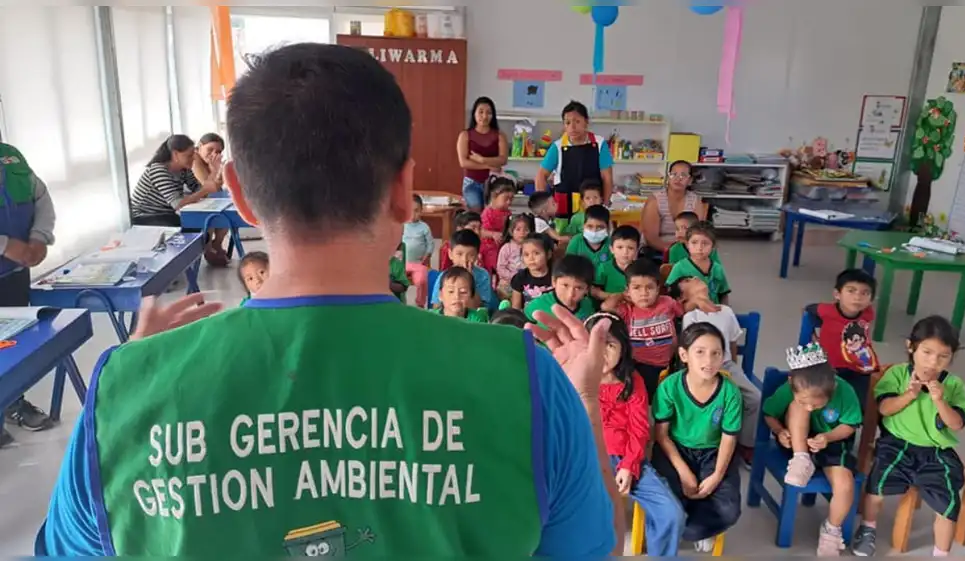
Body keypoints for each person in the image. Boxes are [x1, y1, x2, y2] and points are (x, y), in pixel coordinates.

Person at [38, 44, 616, 557]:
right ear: (401, 190)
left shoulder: (123, 391)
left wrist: (142, 384)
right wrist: (584, 403)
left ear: (238, 193)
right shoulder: (524, 377)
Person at [852, 316, 965, 558]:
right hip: (897, 444)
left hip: (937, 451)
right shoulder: (897, 374)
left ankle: (941, 552)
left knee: (948, 499)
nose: (933, 362)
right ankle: (868, 529)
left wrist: (939, 400)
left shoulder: (955, 385)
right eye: (927, 352)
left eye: (943, 356)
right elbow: (884, 409)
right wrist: (909, 395)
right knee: (877, 483)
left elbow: (957, 424)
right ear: (911, 347)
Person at [587, 312, 685, 556]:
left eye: (610, 344)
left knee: (671, 513)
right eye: (596, 344)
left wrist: (629, 466)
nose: (603, 352)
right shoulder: (578, 381)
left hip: (627, 460)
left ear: (623, 348)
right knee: (592, 520)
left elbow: (639, 429)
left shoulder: (633, 381)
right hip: (587, 462)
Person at [762, 344, 861, 556]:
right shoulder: (789, 391)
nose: (810, 408)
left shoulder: (844, 391)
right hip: (796, 440)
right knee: (795, 408)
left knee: (845, 485)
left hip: (833, 442)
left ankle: (832, 530)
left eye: (816, 405)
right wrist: (779, 430)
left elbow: (850, 425)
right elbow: (769, 413)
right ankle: (801, 459)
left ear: (832, 388)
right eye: (805, 401)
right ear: (791, 383)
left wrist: (828, 437)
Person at [651, 323, 743, 553]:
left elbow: (728, 439)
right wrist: (683, 471)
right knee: (667, 499)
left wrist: (716, 476)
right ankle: (691, 524)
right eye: (699, 352)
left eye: (716, 353)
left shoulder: (730, 392)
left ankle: (692, 528)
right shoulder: (669, 387)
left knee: (729, 509)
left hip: (714, 451)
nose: (709, 360)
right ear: (684, 355)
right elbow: (661, 435)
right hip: (675, 449)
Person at [0, 141, 57, 444]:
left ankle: (12, 403)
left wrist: (38, 239)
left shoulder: (10, 156)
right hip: (10, 255)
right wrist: (7, 245)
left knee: (13, 344)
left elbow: (41, 196)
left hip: (14, 272)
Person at [673, 276, 761, 463]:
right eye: (690, 281)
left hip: (726, 365)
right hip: (699, 367)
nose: (696, 278)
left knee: (754, 398)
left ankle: (745, 443)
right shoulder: (691, 317)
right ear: (684, 298)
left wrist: (734, 367)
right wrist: (696, 303)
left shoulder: (726, 312)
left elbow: (732, 343)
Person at [605, 259, 685, 400]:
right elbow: (606, 308)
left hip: (670, 363)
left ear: (658, 288)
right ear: (628, 290)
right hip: (640, 365)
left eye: (649, 287)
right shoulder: (627, 309)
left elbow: (683, 313)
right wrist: (621, 296)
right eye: (637, 288)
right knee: (645, 398)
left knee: (668, 399)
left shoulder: (667, 303)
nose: (644, 293)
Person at [805, 268, 880, 409]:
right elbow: (807, 310)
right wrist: (813, 337)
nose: (857, 297)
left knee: (859, 405)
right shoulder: (826, 310)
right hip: (831, 367)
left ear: (871, 300)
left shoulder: (868, 313)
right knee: (829, 403)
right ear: (837, 294)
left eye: (865, 293)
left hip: (860, 367)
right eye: (851, 291)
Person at [534, 101, 614, 229]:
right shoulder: (557, 146)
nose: (572, 127)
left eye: (577, 121)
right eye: (568, 122)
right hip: (564, 205)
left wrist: (604, 205)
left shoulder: (600, 144)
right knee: (564, 241)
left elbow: (607, 177)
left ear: (586, 122)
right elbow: (541, 176)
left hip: (592, 203)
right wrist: (544, 206)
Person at [130, 134, 223, 227]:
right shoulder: (158, 170)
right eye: (189, 155)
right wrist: (206, 189)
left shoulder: (184, 169)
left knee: (204, 220)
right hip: (144, 216)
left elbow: (199, 189)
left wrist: (214, 171)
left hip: (166, 215)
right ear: (175, 155)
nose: (194, 158)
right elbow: (178, 204)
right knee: (191, 224)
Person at [641, 160, 708, 260]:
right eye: (674, 174)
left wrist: (685, 250)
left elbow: (697, 233)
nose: (678, 179)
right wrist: (672, 251)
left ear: (690, 181)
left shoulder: (696, 202)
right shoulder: (655, 201)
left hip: (686, 249)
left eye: (683, 175)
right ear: (668, 177)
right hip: (657, 249)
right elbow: (651, 238)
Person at [456, 96, 509, 212]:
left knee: (491, 215)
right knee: (475, 215)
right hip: (471, 182)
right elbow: (464, 162)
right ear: (474, 114)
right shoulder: (465, 135)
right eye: (481, 112)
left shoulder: (500, 135)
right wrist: (488, 165)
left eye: (489, 113)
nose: (484, 116)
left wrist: (482, 159)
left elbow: (503, 159)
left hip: (493, 183)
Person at [430, 229, 497, 312]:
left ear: (477, 256)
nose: (464, 260)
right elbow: (436, 307)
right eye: (459, 254)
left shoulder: (483, 275)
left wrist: (469, 279)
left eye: (471, 255)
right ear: (450, 254)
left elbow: (478, 307)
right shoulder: (444, 276)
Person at [665, 222, 730, 305]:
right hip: (689, 313)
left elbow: (723, 293)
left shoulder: (717, 269)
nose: (699, 248)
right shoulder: (679, 267)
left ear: (713, 246)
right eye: (694, 243)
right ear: (687, 244)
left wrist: (725, 311)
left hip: (713, 312)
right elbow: (671, 293)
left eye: (705, 243)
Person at [191, 132, 230, 266]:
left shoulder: (208, 162)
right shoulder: (194, 158)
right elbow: (210, 186)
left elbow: (219, 187)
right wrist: (216, 170)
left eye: (218, 151)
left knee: (225, 212)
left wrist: (218, 170)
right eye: (210, 149)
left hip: (199, 201)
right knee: (211, 216)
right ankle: (208, 249)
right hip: (183, 203)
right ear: (199, 146)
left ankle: (216, 244)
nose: (214, 154)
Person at [525, 255, 597, 323]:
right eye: (565, 285)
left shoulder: (587, 305)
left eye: (578, 288)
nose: (570, 294)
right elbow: (524, 327)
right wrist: (530, 336)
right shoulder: (538, 304)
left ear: (587, 289)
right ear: (554, 281)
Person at [592, 225, 640, 301]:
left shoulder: (640, 269)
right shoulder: (604, 268)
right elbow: (594, 291)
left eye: (630, 248)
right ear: (611, 249)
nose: (625, 252)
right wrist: (613, 296)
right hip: (609, 305)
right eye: (620, 247)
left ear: (637, 250)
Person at [403, 194, 434, 307]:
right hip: (403, 262)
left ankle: (420, 303)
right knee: (394, 278)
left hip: (419, 263)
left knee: (421, 281)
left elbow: (430, 243)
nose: (413, 214)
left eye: (416, 211)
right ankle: (400, 301)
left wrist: (428, 255)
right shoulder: (402, 225)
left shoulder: (424, 227)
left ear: (421, 211)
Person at [510, 233, 554, 310]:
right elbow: (516, 308)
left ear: (549, 254)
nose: (531, 258)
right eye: (526, 254)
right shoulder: (520, 278)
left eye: (536, 253)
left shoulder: (556, 276)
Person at [496, 214, 532, 300]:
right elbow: (500, 268)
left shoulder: (531, 247)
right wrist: (514, 277)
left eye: (526, 229)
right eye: (518, 229)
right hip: (508, 282)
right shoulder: (506, 248)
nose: (522, 233)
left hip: (525, 282)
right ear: (511, 231)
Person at [565, 204, 612, 270]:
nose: (594, 231)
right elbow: (568, 265)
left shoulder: (611, 244)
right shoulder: (576, 241)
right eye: (590, 226)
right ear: (584, 226)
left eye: (600, 227)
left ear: (607, 228)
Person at [480, 175, 515, 243]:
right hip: (488, 247)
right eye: (506, 199)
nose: (509, 202)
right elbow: (480, 231)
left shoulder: (508, 213)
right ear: (494, 196)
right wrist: (493, 234)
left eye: (511, 199)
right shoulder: (488, 213)